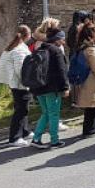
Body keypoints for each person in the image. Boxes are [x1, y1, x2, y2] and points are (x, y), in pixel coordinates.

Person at [29, 20, 70, 149]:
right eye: (62, 39)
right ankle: (54, 140)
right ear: (56, 40)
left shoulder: (39, 48)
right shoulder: (56, 51)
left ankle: (36, 138)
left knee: (45, 113)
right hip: (52, 88)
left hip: (39, 86)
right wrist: (65, 87)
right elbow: (62, 71)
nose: (63, 42)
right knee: (54, 114)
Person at [0, 24, 33, 146]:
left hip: (15, 83)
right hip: (20, 84)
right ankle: (15, 137)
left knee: (22, 108)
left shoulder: (13, 47)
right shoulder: (20, 49)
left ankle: (25, 131)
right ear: (27, 36)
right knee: (21, 110)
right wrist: (28, 82)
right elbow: (21, 69)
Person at [73, 23, 95, 136]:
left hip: (85, 79)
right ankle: (91, 130)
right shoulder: (91, 49)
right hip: (92, 80)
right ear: (91, 34)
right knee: (93, 106)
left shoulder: (81, 46)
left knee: (91, 105)